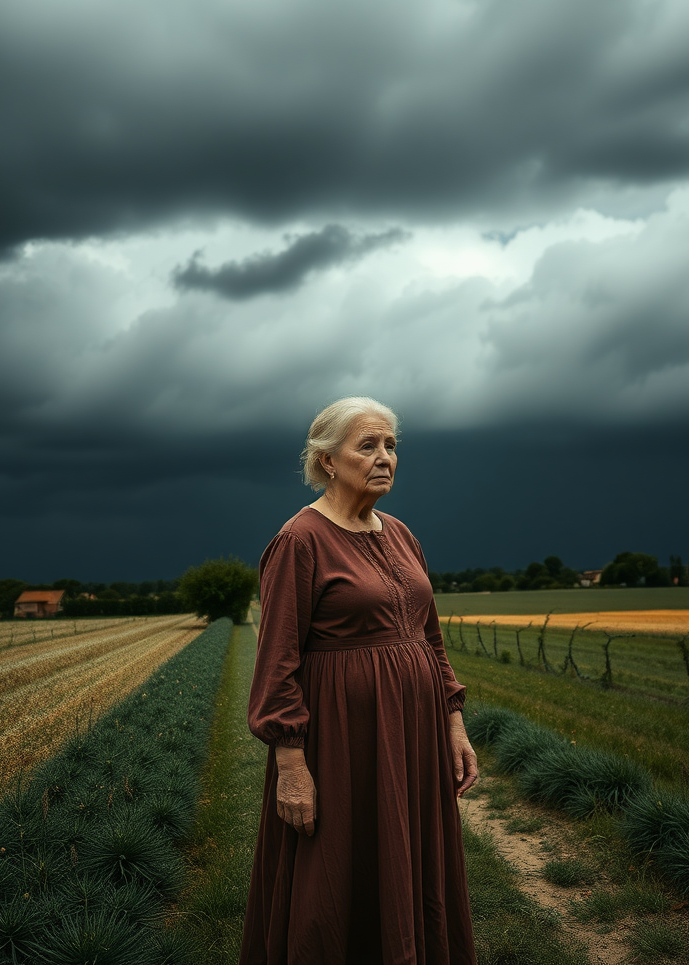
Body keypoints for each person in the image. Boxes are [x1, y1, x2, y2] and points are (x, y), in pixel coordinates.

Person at [239, 396, 478, 965]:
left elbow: (430, 638)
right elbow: (277, 662)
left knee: (411, 860)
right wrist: (291, 768)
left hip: (413, 733)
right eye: (367, 446)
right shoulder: (299, 540)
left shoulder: (401, 534)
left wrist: (454, 722)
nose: (384, 458)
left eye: (391, 446)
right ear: (327, 460)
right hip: (343, 739)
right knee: (336, 873)